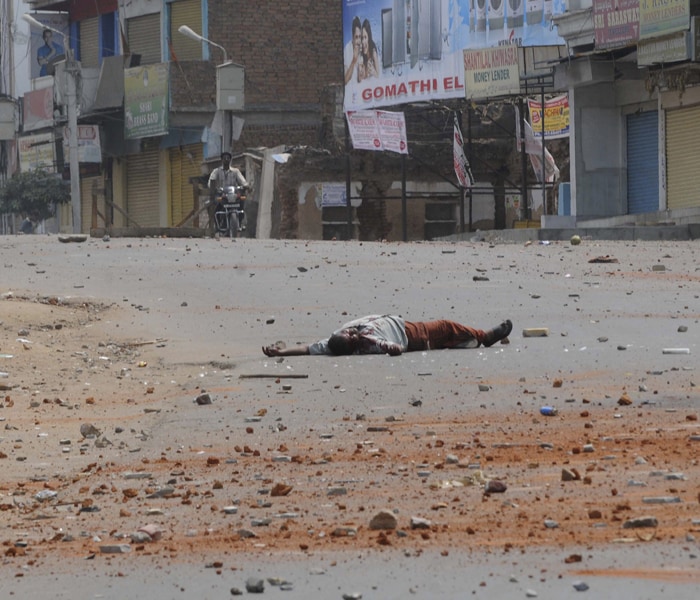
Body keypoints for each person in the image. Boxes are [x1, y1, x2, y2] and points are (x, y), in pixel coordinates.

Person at [262, 315, 512, 357]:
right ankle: (484, 337)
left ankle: (468, 342)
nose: (352, 332)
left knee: (446, 335)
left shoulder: (331, 342)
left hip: (404, 324)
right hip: (409, 334)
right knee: (446, 327)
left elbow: (307, 349)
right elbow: (393, 348)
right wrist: (392, 348)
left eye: (348, 332)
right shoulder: (368, 344)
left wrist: (282, 352)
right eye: (351, 336)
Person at [208, 151, 249, 234]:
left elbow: (242, 181)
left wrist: (245, 186)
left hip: (234, 195)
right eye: (224, 158)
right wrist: (214, 188)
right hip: (222, 194)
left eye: (228, 158)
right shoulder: (216, 171)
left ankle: (240, 222)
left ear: (230, 160)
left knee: (242, 203)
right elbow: (210, 182)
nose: (226, 160)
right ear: (221, 160)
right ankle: (217, 224)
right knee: (215, 206)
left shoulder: (235, 171)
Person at [344, 17, 362, 85]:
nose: (358, 41)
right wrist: (354, 61)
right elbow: (345, 80)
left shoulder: (363, 46)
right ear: (352, 37)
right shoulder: (347, 50)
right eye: (356, 37)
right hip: (351, 91)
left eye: (360, 37)